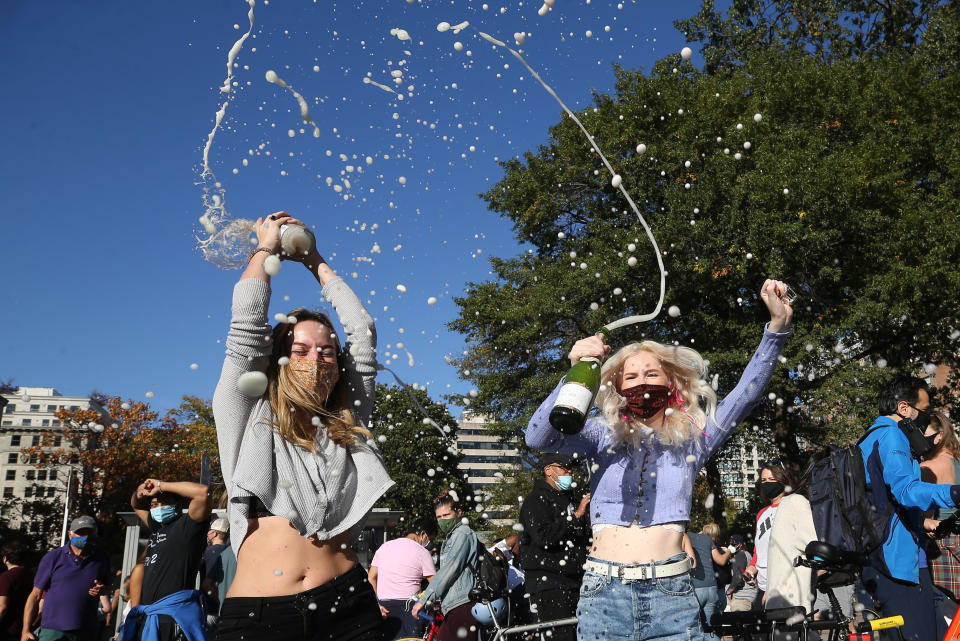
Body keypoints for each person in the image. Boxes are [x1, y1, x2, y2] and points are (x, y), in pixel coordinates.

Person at [526, 279, 792, 641]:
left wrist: (776, 328)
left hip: (672, 593)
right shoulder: (599, 434)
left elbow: (745, 396)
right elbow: (538, 437)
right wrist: (574, 373)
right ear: (617, 388)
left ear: (671, 381)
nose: (641, 382)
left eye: (652, 373)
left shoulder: (694, 439)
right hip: (603, 594)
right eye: (631, 376)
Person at [212, 211, 392, 641]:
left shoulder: (347, 418)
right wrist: (266, 249)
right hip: (261, 619)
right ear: (279, 358)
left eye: (328, 352)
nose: (317, 360)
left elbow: (362, 331)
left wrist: (315, 260)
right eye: (302, 349)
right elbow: (247, 325)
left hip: (349, 606)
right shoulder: (247, 408)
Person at [858, 375, 960, 641]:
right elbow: (906, 490)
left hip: (879, 558)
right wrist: (953, 492)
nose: (926, 418)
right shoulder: (893, 435)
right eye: (924, 411)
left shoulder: (869, 437)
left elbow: (882, 501)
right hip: (898, 563)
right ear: (904, 408)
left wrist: (924, 523)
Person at [124, 478, 211, 641]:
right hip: (149, 619)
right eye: (154, 505)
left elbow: (203, 493)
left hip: (173, 620)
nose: (158, 508)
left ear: (178, 506)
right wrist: (140, 490)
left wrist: (160, 485)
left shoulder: (188, 527)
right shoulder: (157, 528)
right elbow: (135, 504)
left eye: (164, 503)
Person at [518, 453, 590, 641]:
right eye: (563, 468)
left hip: (575, 582)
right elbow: (544, 537)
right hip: (549, 585)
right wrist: (574, 518)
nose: (569, 472)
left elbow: (581, 537)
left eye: (570, 468)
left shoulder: (571, 500)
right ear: (548, 470)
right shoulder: (536, 500)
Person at [22, 515, 112, 641]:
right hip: (53, 631)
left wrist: (103, 590)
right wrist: (25, 630)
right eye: (80, 533)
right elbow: (35, 595)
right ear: (70, 535)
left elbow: (108, 588)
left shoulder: (102, 557)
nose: (84, 537)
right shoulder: (53, 557)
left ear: (95, 534)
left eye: (89, 533)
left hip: (86, 631)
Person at [411, 492, 480, 641]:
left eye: (446, 515)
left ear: (458, 513)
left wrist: (424, 600)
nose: (442, 520)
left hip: (463, 604)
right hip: (454, 605)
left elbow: (449, 570)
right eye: (439, 517)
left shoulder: (462, 534)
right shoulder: (452, 537)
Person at [368, 517, 436, 640]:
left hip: (384, 609)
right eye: (431, 539)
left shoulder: (384, 547)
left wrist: (376, 604)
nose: (430, 544)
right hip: (410, 609)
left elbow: (371, 577)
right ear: (423, 534)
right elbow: (435, 584)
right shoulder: (422, 552)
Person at [922, 411, 960, 607]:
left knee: (947, 616)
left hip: (944, 550)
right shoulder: (956, 460)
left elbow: (922, 518)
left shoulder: (928, 467)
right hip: (956, 543)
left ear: (939, 436)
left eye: (923, 431)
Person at [744, 461, 792, 608]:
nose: (767, 484)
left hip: (784, 586)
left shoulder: (792, 506)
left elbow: (790, 550)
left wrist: (774, 586)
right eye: (764, 480)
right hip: (763, 586)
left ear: (783, 480)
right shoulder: (762, 514)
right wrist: (751, 569)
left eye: (772, 479)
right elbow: (759, 549)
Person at [686, 525, 730, 628]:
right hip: (711, 587)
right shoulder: (706, 539)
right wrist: (728, 551)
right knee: (710, 629)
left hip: (695, 588)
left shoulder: (682, 537)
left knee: (695, 629)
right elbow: (721, 560)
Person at [0, 540, 33, 641]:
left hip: (7, 630)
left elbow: (2, 606)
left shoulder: (6, 577)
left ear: (5, 559)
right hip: (24, 628)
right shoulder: (31, 575)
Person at [199, 518, 229, 627]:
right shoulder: (229, 552)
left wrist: (220, 602)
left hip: (210, 610)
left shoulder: (212, 552)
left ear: (214, 533)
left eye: (209, 531)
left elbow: (207, 585)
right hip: (220, 611)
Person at [701, 523, 732, 612]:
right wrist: (728, 552)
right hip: (717, 590)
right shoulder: (722, 551)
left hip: (702, 588)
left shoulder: (698, 549)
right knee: (716, 621)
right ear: (716, 534)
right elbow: (725, 570)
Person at [726, 535, 756, 612]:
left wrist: (729, 591)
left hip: (742, 599)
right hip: (745, 598)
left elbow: (738, 577)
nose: (731, 546)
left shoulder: (741, 555)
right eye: (730, 544)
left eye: (733, 544)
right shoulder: (745, 555)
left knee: (737, 623)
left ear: (740, 545)